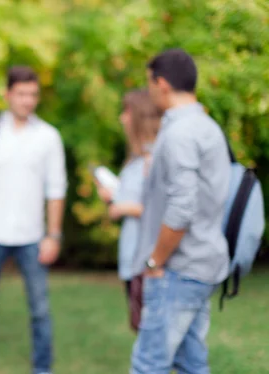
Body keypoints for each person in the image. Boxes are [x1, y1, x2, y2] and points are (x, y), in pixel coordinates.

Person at [0, 66, 67, 374]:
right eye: (21, 94)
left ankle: (43, 367)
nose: (27, 100)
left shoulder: (48, 137)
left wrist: (54, 235)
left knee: (40, 309)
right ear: (8, 95)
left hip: (32, 236)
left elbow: (56, 188)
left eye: (33, 94)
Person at [130, 49, 231, 373]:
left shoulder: (179, 133)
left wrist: (154, 260)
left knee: (148, 365)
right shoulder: (206, 127)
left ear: (161, 83)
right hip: (202, 264)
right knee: (191, 365)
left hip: (178, 269)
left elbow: (182, 208)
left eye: (149, 84)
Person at [95, 89, 161, 328]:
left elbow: (160, 209)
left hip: (147, 261)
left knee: (151, 337)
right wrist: (113, 198)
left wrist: (123, 207)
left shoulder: (155, 158)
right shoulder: (135, 159)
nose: (122, 118)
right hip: (133, 258)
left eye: (127, 112)